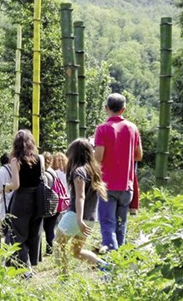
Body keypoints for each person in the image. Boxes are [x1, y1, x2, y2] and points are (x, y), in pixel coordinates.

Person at [93, 93, 142, 250]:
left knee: (108, 225)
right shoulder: (132, 128)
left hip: (107, 185)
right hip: (127, 186)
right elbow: (139, 156)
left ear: (106, 108)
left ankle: (110, 265)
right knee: (121, 226)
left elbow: (99, 156)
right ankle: (119, 263)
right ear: (124, 109)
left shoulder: (102, 129)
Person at [55, 138, 109, 270]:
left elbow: (80, 196)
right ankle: (105, 267)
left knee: (57, 245)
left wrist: (79, 219)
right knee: (76, 251)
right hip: (90, 218)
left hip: (76, 216)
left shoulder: (79, 171)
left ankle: (64, 278)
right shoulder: (94, 171)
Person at [4, 130, 43, 278]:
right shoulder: (40, 158)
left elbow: (16, 185)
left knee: (18, 235)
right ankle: (30, 265)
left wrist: (7, 187)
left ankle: (24, 269)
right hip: (38, 200)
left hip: (22, 200)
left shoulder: (16, 161)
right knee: (33, 234)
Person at [41, 151, 59, 256]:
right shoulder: (53, 172)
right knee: (50, 228)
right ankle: (50, 249)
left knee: (44, 228)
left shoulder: (43, 173)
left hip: (46, 203)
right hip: (55, 202)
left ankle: (48, 250)